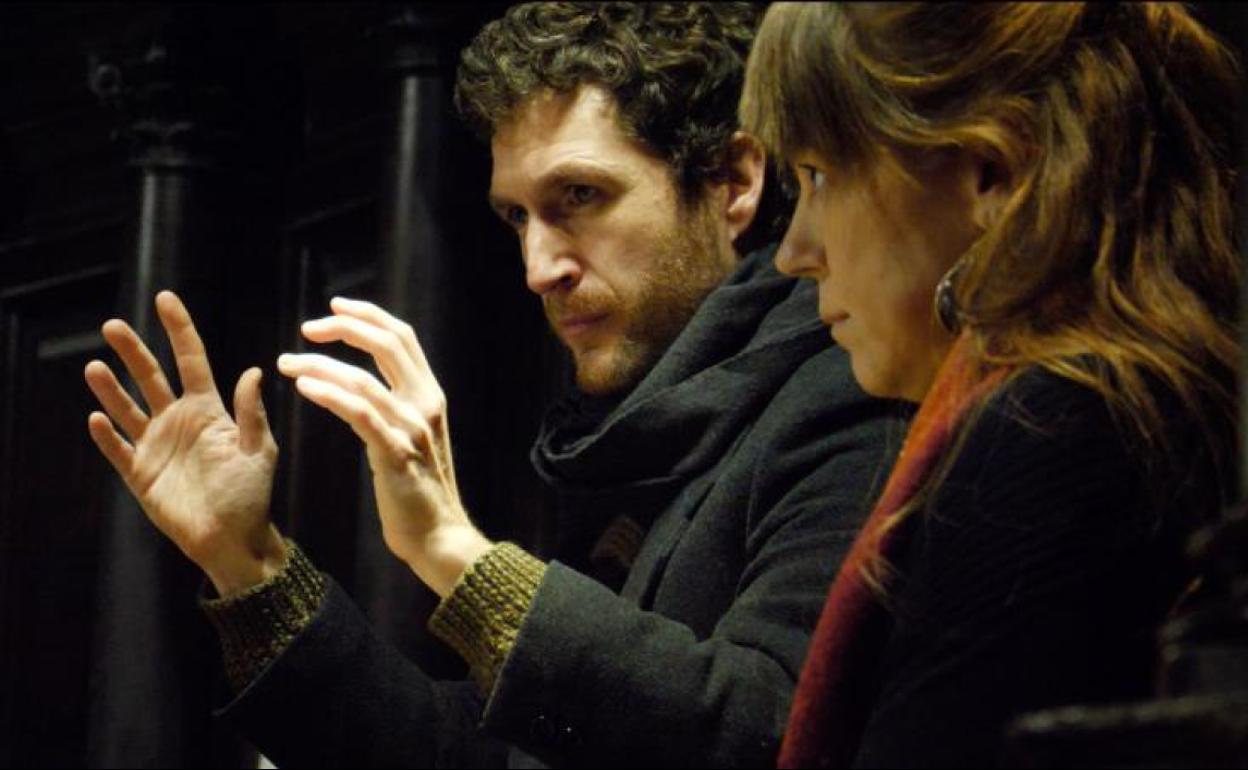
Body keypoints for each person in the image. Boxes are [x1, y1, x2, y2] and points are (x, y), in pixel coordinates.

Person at [84, 4, 905, 767]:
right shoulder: (630, 429)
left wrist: (452, 548)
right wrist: (248, 562)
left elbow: (777, 735)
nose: (538, 267)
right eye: (517, 217)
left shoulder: (849, 392)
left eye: (578, 197)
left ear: (732, 183)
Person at [738, 2, 1241, 766]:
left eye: (818, 176)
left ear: (990, 172)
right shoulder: (1120, 393)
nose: (795, 252)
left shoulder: (1057, 427)